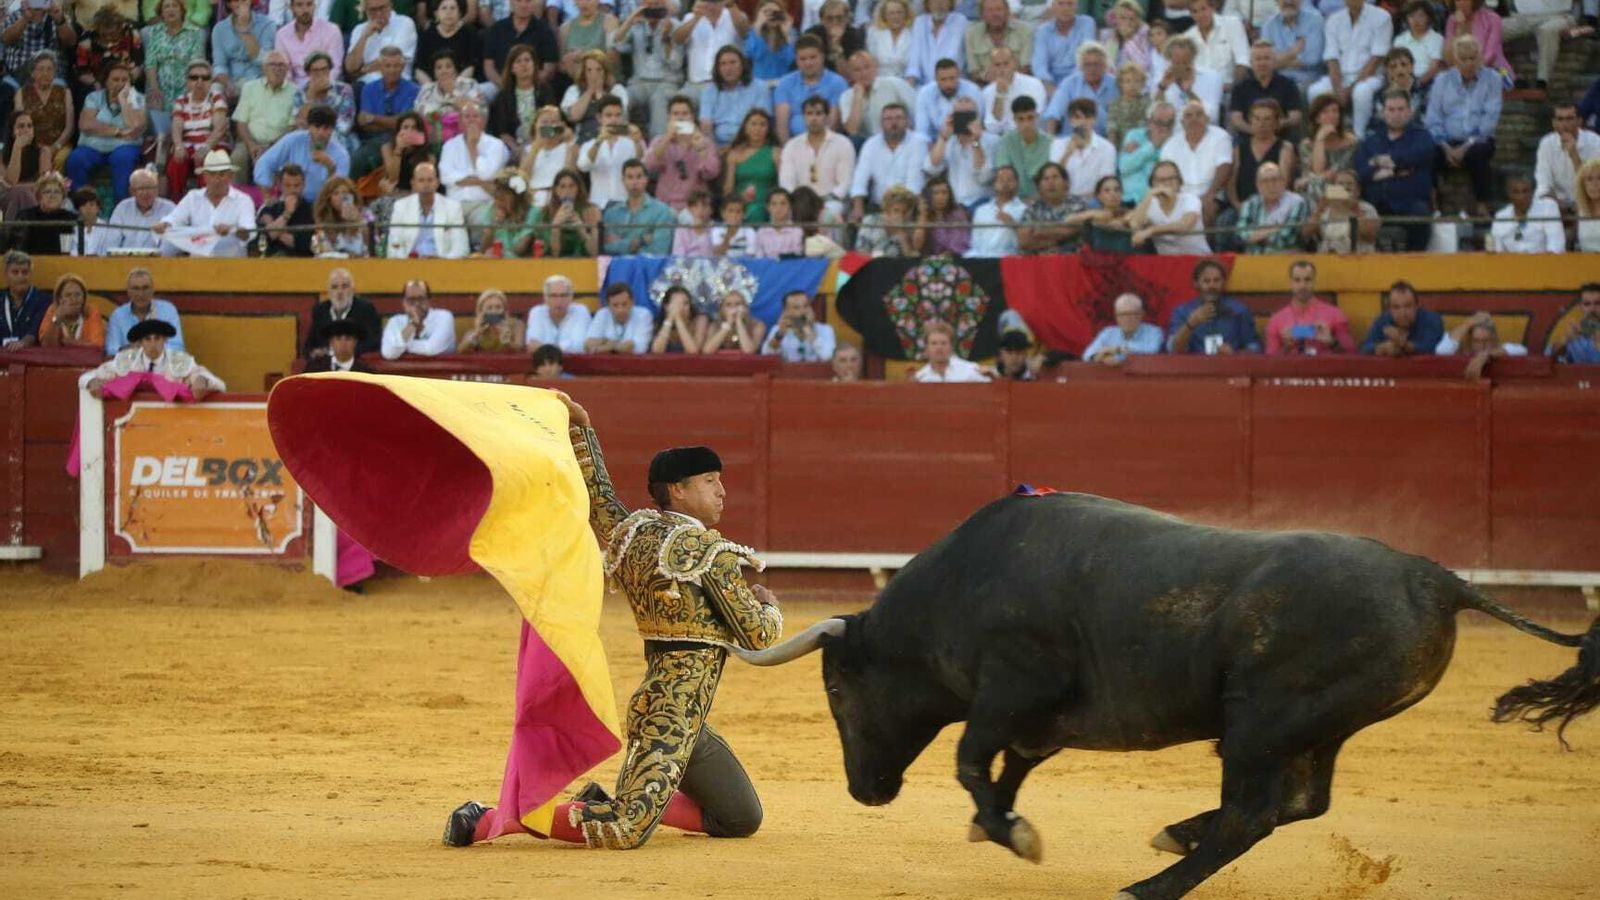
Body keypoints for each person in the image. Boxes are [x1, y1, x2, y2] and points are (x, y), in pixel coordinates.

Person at [444, 390, 781, 850]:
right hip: (673, 718)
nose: (721, 490)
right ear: (678, 491)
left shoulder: (635, 536)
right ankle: (488, 819)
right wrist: (767, 604)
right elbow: (758, 636)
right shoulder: (709, 553)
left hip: (678, 717)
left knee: (740, 816)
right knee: (626, 828)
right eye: (709, 480)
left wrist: (581, 428)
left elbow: (600, 499)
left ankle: (603, 799)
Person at [1424, 35, 1499, 218]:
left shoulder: (1492, 79)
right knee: (1427, 152)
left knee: (1480, 152)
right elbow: (1433, 117)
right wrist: (1446, 147)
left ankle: (1482, 205)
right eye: (1463, 59)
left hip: (1477, 140)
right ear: (1455, 60)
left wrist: (1466, 146)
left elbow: (1490, 118)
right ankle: (1433, 204)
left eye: (1473, 58)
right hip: (1446, 140)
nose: (1468, 63)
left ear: (1480, 58)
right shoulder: (1442, 80)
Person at [1356, 90, 1433, 252]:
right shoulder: (1371, 141)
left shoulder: (1422, 137)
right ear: (1383, 112)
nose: (1396, 114)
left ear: (1409, 111)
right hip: (1376, 204)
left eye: (1401, 109)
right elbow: (1362, 171)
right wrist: (1397, 169)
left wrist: (1379, 163)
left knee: (1421, 215)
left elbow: (1415, 156)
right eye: (1391, 109)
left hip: (1410, 202)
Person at [1307, 0, 1392, 137]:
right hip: (1340, 76)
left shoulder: (1382, 17)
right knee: (1315, 91)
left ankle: (1359, 136)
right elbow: (1331, 57)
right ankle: (1322, 135)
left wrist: (1349, 89)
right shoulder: (1334, 20)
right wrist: (1338, 88)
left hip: (1371, 76)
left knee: (1361, 92)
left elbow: (1377, 57)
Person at [64, 61, 145, 205]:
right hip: (92, 147)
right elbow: (86, 124)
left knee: (122, 159)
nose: (120, 83)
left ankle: (121, 209)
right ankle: (80, 207)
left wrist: (123, 101)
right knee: (76, 158)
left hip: (124, 148)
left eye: (124, 80)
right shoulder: (94, 97)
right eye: (115, 79)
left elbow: (135, 126)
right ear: (106, 81)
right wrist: (118, 131)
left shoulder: (138, 98)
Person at [82, 318, 224, 399]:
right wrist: (93, 382)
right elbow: (87, 377)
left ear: (165, 340)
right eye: (148, 339)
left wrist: (202, 380)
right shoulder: (126, 360)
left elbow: (219, 384)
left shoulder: (179, 360)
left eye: (157, 338)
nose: (153, 344)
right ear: (140, 343)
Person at [154, 149, 257, 257]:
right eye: (212, 175)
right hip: (197, 267)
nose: (217, 179)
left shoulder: (243, 200)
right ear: (205, 177)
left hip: (232, 267)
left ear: (230, 176)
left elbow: (249, 231)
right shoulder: (192, 197)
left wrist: (232, 229)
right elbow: (174, 218)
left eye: (222, 174)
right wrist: (164, 224)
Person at [612, 0, 684, 139]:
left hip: (667, 82)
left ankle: (657, 147)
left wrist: (666, 39)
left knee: (659, 99)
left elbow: (676, 63)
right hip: (639, 82)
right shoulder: (636, 25)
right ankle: (618, 141)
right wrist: (630, 20)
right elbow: (617, 44)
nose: (654, 9)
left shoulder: (675, 26)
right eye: (650, 5)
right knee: (622, 97)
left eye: (658, 4)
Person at [253, 105, 351, 202]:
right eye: (317, 127)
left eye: (326, 128)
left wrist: (330, 167)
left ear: (332, 130)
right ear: (309, 127)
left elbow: (339, 192)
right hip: (290, 200)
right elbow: (264, 163)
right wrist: (267, 195)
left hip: (321, 205)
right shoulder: (293, 139)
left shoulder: (341, 155)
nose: (321, 133)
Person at [778, 96, 855, 217]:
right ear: (803, 117)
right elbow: (786, 182)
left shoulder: (842, 143)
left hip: (832, 201)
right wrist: (801, 200)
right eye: (809, 114)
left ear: (827, 117)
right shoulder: (791, 146)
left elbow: (845, 182)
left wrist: (823, 201)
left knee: (829, 213)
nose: (814, 118)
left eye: (818, 113)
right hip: (800, 201)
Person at [849, 103, 929, 221]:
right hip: (877, 206)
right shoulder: (871, 144)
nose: (894, 123)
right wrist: (858, 207)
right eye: (888, 119)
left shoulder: (918, 143)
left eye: (898, 118)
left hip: (909, 207)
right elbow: (860, 179)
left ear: (907, 121)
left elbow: (915, 184)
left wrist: (902, 213)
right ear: (881, 123)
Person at [166, 59, 230, 203]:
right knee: (176, 163)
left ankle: (208, 204)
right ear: (187, 81)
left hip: (212, 144)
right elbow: (176, 126)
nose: (199, 81)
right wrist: (178, 145)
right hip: (188, 144)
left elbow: (219, 129)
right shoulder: (181, 100)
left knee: (208, 163)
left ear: (210, 82)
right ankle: (177, 203)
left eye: (205, 78)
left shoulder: (216, 98)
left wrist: (206, 147)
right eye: (194, 78)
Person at [1159, 99, 1232, 225]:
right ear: (1182, 123)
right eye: (1188, 116)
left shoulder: (1220, 136)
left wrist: (1210, 194)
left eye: (1199, 114)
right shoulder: (1170, 145)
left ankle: (1208, 245)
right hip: (1180, 195)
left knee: (1206, 208)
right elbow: (1165, 175)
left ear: (1207, 119)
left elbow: (1224, 166)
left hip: (1212, 192)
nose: (1194, 119)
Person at [229, 50, 298, 182]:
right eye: (272, 65)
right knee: (237, 158)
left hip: (280, 143)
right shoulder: (249, 87)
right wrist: (251, 145)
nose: (277, 69)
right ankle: (239, 198)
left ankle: (274, 199)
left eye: (281, 65)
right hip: (249, 141)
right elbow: (241, 123)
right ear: (264, 68)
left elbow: (292, 127)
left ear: (287, 69)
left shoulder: (295, 91)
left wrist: (272, 147)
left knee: (284, 160)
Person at [351, 46, 420, 177]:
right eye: (388, 66)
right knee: (356, 160)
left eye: (396, 66)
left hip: (404, 139)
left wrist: (374, 119)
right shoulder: (368, 89)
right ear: (380, 67)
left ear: (403, 67)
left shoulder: (414, 89)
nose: (392, 70)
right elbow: (364, 124)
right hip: (372, 139)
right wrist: (391, 122)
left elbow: (403, 124)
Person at [141, 0, 205, 140]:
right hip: (161, 85)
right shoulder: (154, 32)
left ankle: (182, 141)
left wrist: (189, 92)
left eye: (175, 6)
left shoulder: (194, 33)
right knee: (153, 100)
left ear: (182, 11)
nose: (171, 10)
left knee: (189, 103)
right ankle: (159, 145)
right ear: (161, 12)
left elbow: (196, 65)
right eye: (167, 6)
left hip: (186, 86)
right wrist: (154, 88)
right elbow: (150, 63)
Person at [1166, 258, 1260, 353]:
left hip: (1230, 365)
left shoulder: (1239, 311)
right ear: (1196, 284)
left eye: (1216, 280)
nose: (1212, 285)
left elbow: (1254, 347)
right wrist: (1190, 324)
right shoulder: (1182, 312)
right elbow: (1173, 350)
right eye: (1206, 281)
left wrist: (1234, 353)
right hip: (1194, 366)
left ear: (1224, 282)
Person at [645, 95, 721, 211]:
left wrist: (700, 149)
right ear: (669, 117)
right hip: (665, 204)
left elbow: (712, 173)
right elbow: (648, 166)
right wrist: (667, 139)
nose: (680, 118)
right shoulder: (659, 140)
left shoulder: (705, 142)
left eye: (685, 114)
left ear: (692, 116)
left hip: (694, 206)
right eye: (675, 114)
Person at [1265, 259, 1354, 354]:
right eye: (1297, 280)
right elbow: (1270, 363)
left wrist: (1331, 342)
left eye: (1307, 279)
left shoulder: (1336, 315)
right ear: (1290, 283)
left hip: (1325, 368)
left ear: (1314, 281)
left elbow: (1352, 355)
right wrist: (1286, 346)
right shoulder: (1276, 320)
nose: (1302, 285)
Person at [773, 34, 849, 142]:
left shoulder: (837, 83)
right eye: (802, 59)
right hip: (793, 145)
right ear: (796, 60)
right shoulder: (785, 83)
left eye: (813, 57)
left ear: (822, 57)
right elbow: (781, 124)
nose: (808, 63)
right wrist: (788, 149)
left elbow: (833, 123)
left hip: (828, 143)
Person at [386, 162, 469, 259]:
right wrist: (406, 261)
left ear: (437, 183)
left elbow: (461, 248)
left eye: (430, 180)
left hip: (441, 266)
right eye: (421, 180)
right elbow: (394, 246)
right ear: (413, 184)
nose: (426, 184)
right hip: (409, 265)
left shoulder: (453, 207)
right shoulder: (401, 206)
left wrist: (442, 261)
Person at [577, 95, 645, 208]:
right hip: (598, 205)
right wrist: (599, 141)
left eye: (618, 115)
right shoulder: (589, 145)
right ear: (599, 118)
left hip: (625, 204)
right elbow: (583, 166)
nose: (614, 120)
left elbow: (641, 164)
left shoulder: (632, 142)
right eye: (608, 115)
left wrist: (637, 142)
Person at [486, 44, 557, 151]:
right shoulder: (503, 96)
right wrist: (516, 148)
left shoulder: (545, 91)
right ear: (512, 68)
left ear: (534, 64)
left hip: (543, 143)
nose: (524, 64)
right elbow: (502, 131)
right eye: (518, 61)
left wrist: (536, 145)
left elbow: (552, 123)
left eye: (527, 60)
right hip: (514, 147)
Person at [674, 0, 751, 99]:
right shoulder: (690, 17)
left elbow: (745, 33)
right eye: (707, 1)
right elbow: (677, 40)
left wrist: (732, 6)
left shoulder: (736, 15)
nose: (710, 5)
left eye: (714, 2)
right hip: (695, 84)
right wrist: (695, 19)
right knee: (678, 104)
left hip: (727, 85)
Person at [1129, 159, 1209, 253]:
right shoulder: (1150, 203)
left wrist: (1152, 230)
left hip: (1197, 259)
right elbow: (1135, 224)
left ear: (1179, 181)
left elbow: (1184, 226)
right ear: (1153, 183)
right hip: (1167, 262)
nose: (1167, 183)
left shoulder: (1191, 200)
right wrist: (1148, 196)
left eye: (1171, 179)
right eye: (1161, 180)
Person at [697, 45, 772, 146]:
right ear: (717, 68)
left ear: (742, 65)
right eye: (723, 64)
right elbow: (706, 123)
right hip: (719, 145)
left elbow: (762, 121)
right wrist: (713, 150)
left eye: (733, 62)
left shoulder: (759, 87)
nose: (728, 68)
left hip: (750, 143)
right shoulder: (709, 90)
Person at [1534, 103, 1600, 213]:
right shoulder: (1546, 144)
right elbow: (1543, 184)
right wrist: (1558, 205)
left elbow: (1592, 183)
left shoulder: (1595, 142)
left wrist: (1574, 154)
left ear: (1579, 121)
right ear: (1554, 123)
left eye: (1570, 119)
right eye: (1560, 119)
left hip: (1589, 200)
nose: (1565, 124)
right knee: (1545, 205)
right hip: (1558, 205)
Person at [1229, 41, 1304, 138]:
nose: (1262, 63)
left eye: (1266, 58)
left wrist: (1279, 124)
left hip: (1281, 139)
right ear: (1251, 62)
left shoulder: (1288, 85)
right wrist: (1256, 131)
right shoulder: (1240, 87)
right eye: (1258, 59)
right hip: (1249, 140)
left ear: (1274, 61)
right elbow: (1236, 119)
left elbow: (1296, 116)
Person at [839, 48, 917, 140]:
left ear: (876, 68)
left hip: (898, 137)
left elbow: (917, 112)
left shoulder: (894, 84)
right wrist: (858, 98)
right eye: (857, 70)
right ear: (850, 74)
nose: (863, 73)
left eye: (867, 67)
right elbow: (852, 130)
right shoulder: (846, 96)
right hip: (867, 144)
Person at [602, 159, 676, 255]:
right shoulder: (611, 213)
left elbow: (659, 249)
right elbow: (607, 248)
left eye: (639, 177)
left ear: (646, 179)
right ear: (623, 181)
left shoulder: (662, 211)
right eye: (630, 177)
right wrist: (640, 241)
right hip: (618, 267)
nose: (634, 182)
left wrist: (623, 244)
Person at [1296, 93, 1359, 206]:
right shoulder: (1306, 145)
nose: (1332, 115)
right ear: (1317, 118)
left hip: (1345, 189)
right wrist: (1320, 139)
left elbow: (1335, 174)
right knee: (1312, 188)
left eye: (1335, 111)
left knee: (1314, 186)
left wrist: (1315, 178)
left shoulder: (1351, 142)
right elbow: (1318, 171)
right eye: (1325, 112)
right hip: (1317, 190)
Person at [304, 267, 381, 360]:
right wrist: (314, 353)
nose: (339, 292)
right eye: (334, 287)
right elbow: (308, 347)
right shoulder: (320, 310)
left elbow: (374, 343)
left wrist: (337, 353)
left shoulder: (366, 309)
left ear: (353, 289)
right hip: (326, 366)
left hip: (355, 365)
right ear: (328, 291)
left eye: (344, 286)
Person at [105, 266, 184, 355]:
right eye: (135, 288)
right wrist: (136, 349)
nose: (140, 294)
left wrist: (145, 348)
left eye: (145, 288)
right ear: (128, 291)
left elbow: (178, 347)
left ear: (153, 290)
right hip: (130, 365)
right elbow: (111, 350)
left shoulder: (168, 310)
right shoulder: (118, 315)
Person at [292, 52, 358, 156]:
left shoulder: (344, 89)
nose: (321, 74)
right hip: (310, 138)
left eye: (324, 69)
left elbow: (344, 125)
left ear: (330, 70)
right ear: (308, 73)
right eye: (315, 70)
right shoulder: (300, 93)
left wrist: (321, 138)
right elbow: (300, 123)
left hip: (338, 138)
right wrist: (311, 96)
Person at [1234, 162, 1308, 253]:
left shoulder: (1297, 202)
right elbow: (1240, 236)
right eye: (1265, 181)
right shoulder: (1250, 204)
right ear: (1258, 185)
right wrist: (1275, 228)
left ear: (1283, 182)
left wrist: (1255, 236)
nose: (1271, 185)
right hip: (1253, 260)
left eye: (1275, 180)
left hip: (1283, 258)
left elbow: (1287, 237)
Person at [1301, 167, 1380, 253]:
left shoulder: (1366, 208)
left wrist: (1356, 209)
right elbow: (1306, 233)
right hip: (1327, 259)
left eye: (1350, 184)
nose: (1345, 187)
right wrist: (1319, 210)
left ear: (1358, 190)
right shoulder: (1325, 209)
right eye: (1340, 184)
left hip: (1359, 259)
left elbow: (1370, 236)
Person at [1052, 97, 1115, 203]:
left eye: (1087, 117)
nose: (1083, 122)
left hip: (1095, 202)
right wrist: (1067, 153)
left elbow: (1106, 184)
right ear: (1071, 121)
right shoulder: (1058, 145)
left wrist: (1080, 201)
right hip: (1063, 201)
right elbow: (1052, 179)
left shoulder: (1107, 148)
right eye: (1078, 117)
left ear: (1094, 120)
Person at [1501, 0, 1573, 92]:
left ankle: (1542, 80)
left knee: (1547, 30)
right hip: (1521, 17)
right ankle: (1508, 76)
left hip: (1559, 15)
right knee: (1492, 28)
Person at [212, 0, 276, 101]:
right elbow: (219, 65)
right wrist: (227, 83)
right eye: (236, 0)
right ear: (229, 4)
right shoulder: (219, 29)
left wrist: (245, 29)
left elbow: (264, 61)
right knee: (215, 89)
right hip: (231, 79)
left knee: (250, 88)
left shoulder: (267, 25)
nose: (240, 4)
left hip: (257, 78)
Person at [1359, 279, 1443, 356]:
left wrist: (1402, 344)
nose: (1402, 313)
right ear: (1390, 309)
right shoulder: (1382, 321)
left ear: (1417, 306)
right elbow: (1365, 348)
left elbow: (1434, 347)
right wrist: (1383, 348)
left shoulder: (1431, 320)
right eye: (1396, 307)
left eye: (1408, 306)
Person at [561, 50, 628, 145]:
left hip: (613, 140)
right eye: (589, 70)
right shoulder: (574, 90)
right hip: (583, 141)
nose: (594, 74)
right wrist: (590, 91)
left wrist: (600, 92)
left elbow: (622, 117)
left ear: (605, 72)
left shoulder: (617, 90)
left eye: (599, 69)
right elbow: (573, 116)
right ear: (583, 72)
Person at [1488, 172, 1565, 254]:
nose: (1521, 197)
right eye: (1516, 192)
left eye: (1525, 191)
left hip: (1544, 263)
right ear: (1509, 193)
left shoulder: (1548, 207)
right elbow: (1496, 253)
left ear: (1532, 192)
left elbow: (1556, 247)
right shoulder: (1500, 217)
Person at [532, 167, 602, 257]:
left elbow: (595, 253)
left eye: (571, 186)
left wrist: (581, 229)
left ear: (578, 188)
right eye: (562, 186)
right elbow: (554, 255)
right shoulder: (544, 213)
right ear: (556, 190)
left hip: (584, 263)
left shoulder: (591, 211)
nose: (567, 191)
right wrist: (555, 227)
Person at [1436, 310, 1527, 379]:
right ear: (1470, 341)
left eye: (1486, 340)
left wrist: (1486, 354)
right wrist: (1469, 323)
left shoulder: (1498, 350)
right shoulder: (1464, 352)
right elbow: (1442, 351)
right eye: (1477, 341)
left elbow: (1522, 350)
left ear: (1493, 339)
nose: (1482, 346)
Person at [379, 279, 456, 359]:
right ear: (404, 302)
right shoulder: (395, 321)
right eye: (411, 300)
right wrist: (413, 323)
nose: (417, 304)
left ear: (429, 301)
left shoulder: (444, 317)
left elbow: (431, 349)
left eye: (421, 299)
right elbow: (389, 353)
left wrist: (401, 346)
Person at [1018, 161, 1086, 253]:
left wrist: (1039, 231)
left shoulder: (1077, 203)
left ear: (1066, 183)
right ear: (1039, 186)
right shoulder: (1033, 209)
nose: (1050, 183)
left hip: (1072, 261)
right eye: (1046, 179)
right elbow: (1023, 242)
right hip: (1041, 263)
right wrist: (1054, 241)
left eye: (1055, 177)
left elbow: (1069, 230)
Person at [345, 0, 418, 83]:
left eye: (382, 8)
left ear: (390, 5)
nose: (378, 13)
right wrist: (364, 37)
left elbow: (392, 60)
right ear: (365, 10)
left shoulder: (405, 23)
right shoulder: (359, 29)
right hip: (366, 83)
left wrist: (363, 71)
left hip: (398, 82)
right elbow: (351, 68)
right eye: (373, 10)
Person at [105, 169, 176, 253]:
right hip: (124, 261)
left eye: (150, 188)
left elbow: (172, 244)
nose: (146, 192)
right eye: (141, 188)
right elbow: (111, 242)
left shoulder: (169, 208)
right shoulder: (122, 208)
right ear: (132, 191)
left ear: (157, 190)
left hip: (158, 262)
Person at [276, 0, 345, 86]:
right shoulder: (282, 34)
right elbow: (285, 71)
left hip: (326, 86)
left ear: (314, 6)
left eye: (309, 4)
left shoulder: (331, 31)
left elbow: (335, 68)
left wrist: (317, 87)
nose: (305, 10)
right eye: (299, 5)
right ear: (291, 8)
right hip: (294, 90)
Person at [1262, 0, 1326, 90]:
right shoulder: (1269, 25)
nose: (1289, 1)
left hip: (1308, 81)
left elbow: (1312, 59)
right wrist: (1293, 52)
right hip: (1277, 81)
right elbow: (1266, 62)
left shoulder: (1315, 20)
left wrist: (1278, 60)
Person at [1083, 293, 1163, 365]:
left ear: (1141, 314)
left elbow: (1151, 351)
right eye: (1122, 314)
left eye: (1132, 314)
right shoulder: (1108, 332)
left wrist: (1117, 351)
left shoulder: (1154, 332)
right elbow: (1087, 356)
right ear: (1116, 316)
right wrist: (1102, 357)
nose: (1127, 319)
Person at [257, 164, 317, 256]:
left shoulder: (313, 211)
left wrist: (277, 230)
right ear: (280, 186)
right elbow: (265, 237)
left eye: (296, 186)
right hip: (272, 262)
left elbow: (308, 244)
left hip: (302, 263)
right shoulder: (269, 209)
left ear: (304, 185)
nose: (292, 190)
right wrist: (287, 213)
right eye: (288, 186)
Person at [907, 0, 969, 87]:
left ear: (950, 3)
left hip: (952, 83)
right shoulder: (920, 22)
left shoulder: (960, 21)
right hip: (923, 85)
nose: (939, 4)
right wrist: (910, 82)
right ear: (928, 3)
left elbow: (954, 55)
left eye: (943, 1)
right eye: (934, 1)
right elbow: (914, 57)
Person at [11, 172, 76, 255]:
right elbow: (17, 250)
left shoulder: (70, 218)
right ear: (39, 196)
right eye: (47, 192)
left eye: (57, 192)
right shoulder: (26, 216)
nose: (52, 195)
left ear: (63, 197)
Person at [526, 273, 592, 354]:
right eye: (553, 296)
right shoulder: (537, 312)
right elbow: (532, 345)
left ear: (571, 297)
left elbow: (579, 345)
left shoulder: (581, 311)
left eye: (563, 295)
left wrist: (545, 348)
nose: (559, 300)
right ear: (545, 298)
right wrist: (564, 347)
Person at [762, 289, 836, 362]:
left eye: (806, 306)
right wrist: (780, 334)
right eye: (796, 308)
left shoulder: (825, 329)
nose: (803, 311)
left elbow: (828, 357)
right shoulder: (778, 330)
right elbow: (767, 357)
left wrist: (809, 331)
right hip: (788, 373)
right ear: (786, 311)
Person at [970, 164, 1027, 256]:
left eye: (1009, 179)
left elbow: (1026, 243)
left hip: (1009, 261)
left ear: (1017, 183)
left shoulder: (1024, 210)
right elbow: (975, 242)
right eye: (1001, 180)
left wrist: (1014, 224)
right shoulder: (981, 210)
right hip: (981, 260)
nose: (1005, 183)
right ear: (994, 184)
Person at [36, 273, 105, 349]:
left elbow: (97, 345)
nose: (73, 299)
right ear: (60, 299)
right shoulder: (52, 311)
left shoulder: (92, 312)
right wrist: (57, 319)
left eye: (77, 295)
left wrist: (71, 343)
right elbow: (46, 346)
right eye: (68, 295)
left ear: (84, 298)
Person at [0, 250, 50, 348]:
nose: (20, 276)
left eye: (25, 272)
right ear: (6, 275)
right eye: (15, 272)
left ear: (30, 274)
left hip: (30, 357)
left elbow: (34, 332)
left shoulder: (44, 301)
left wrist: (23, 343)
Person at [585, 282, 652, 354]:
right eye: (615, 305)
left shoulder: (643, 315)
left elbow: (639, 350)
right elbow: (588, 344)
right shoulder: (602, 314)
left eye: (624, 304)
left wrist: (604, 345)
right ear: (608, 306)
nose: (620, 310)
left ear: (632, 302)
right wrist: (616, 346)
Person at [914, 319, 989, 382]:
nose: (939, 347)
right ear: (926, 348)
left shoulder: (970, 370)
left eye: (943, 343)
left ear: (951, 346)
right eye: (934, 343)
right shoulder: (920, 378)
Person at [312, 176, 369, 256]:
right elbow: (322, 253)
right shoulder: (322, 223)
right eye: (336, 193)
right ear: (329, 199)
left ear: (352, 196)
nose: (341, 197)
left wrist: (358, 221)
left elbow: (373, 244)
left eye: (345, 193)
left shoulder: (366, 215)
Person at [854, 184, 918, 255]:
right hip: (872, 263)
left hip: (898, 265)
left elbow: (911, 256)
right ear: (887, 209)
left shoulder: (909, 227)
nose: (900, 216)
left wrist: (901, 232)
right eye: (896, 210)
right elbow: (861, 251)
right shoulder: (871, 220)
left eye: (904, 212)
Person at [458, 288, 526, 353]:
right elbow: (461, 350)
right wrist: (477, 333)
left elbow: (519, 349)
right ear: (481, 311)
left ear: (505, 310)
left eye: (498, 307)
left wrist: (504, 336)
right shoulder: (475, 328)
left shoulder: (516, 325)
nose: (494, 311)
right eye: (489, 308)